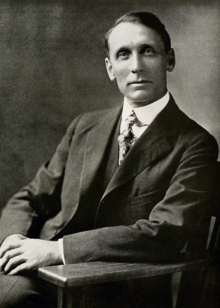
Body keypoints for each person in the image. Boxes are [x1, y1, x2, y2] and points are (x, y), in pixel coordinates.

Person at [0, 11, 219, 308]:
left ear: (169, 60)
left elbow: (165, 233)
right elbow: (30, 198)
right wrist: (12, 242)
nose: (136, 67)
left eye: (148, 51)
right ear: (110, 67)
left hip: (120, 286)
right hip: (42, 270)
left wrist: (58, 251)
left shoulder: (195, 145)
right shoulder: (84, 126)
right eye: (123, 55)